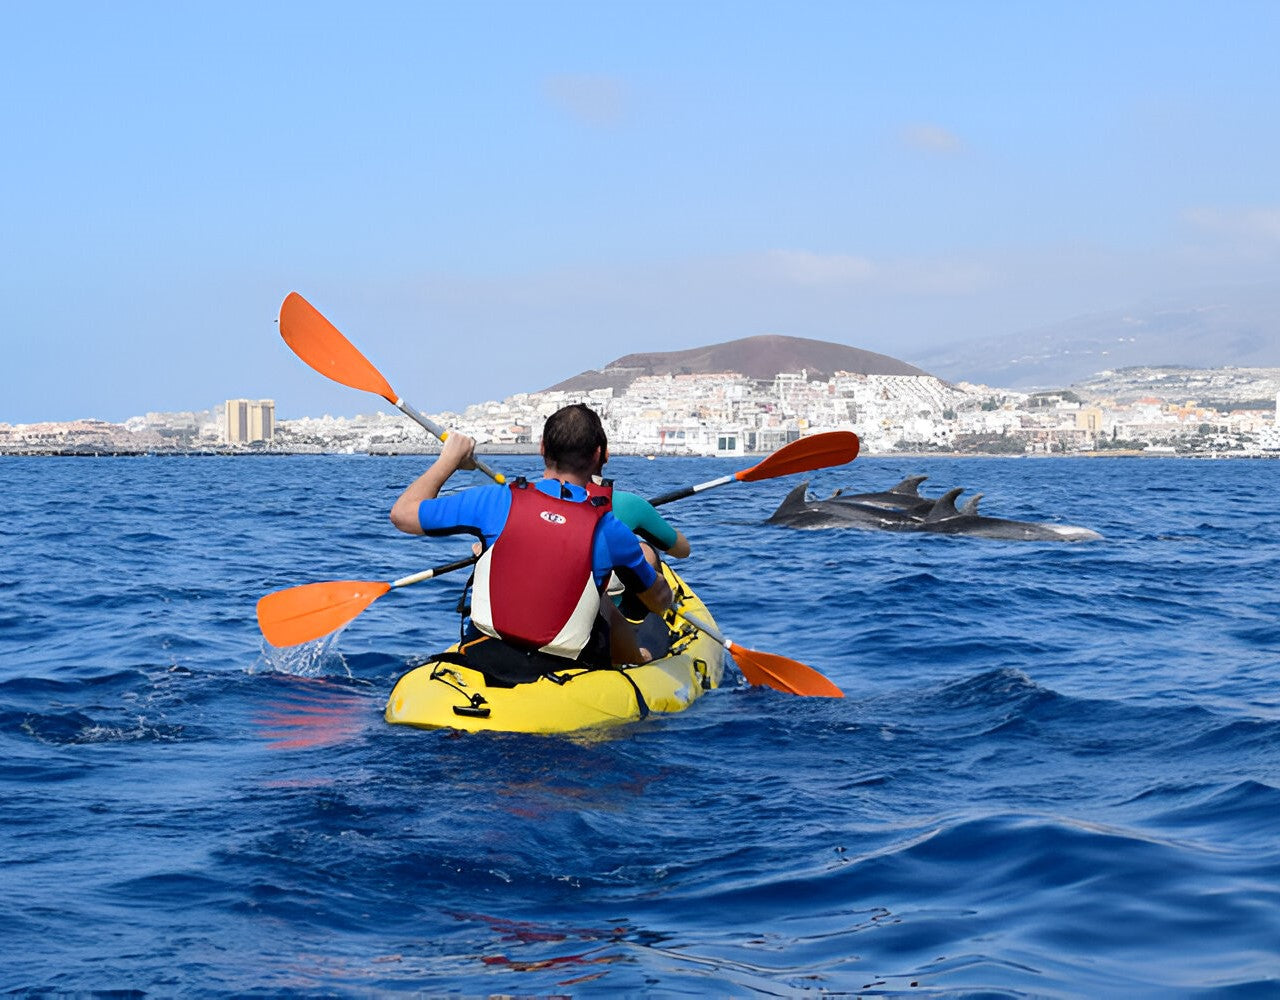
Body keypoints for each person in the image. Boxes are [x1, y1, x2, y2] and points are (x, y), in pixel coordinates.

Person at [389, 404, 672, 672]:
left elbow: (403, 514)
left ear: (543, 449)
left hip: (484, 655)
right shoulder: (610, 529)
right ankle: (641, 659)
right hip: (567, 668)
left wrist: (449, 460)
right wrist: (655, 578)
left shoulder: (496, 500)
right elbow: (659, 601)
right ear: (598, 455)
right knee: (634, 617)